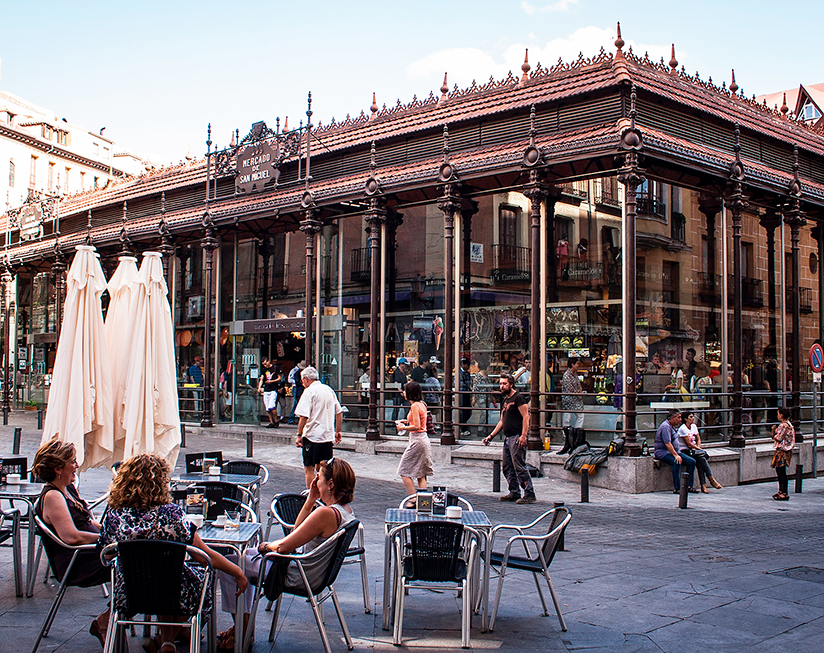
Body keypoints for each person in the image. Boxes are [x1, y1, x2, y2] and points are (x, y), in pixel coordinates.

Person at [99, 454, 247, 653]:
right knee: (188, 579)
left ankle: (166, 642)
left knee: (161, 576)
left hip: (128, 592)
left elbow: (106, 555)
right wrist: (237, 572)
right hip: (173, 591)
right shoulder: (171, 514)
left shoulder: (114, 514)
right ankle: (167, 642)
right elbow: (204, 556)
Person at [217, 458, 356, 649]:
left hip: (297, 573)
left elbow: (284, 547)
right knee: (239, 558)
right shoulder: (345, 511)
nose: (315, 483)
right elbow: (296, 532)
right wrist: (310, 501)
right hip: (311, 572)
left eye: (319, 479)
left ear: (330, 484)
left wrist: (265, 546)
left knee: (229, 564)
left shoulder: (326, 514)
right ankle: (242, 628)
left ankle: (243, 629)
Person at [33, 440, 110, 647]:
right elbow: (71, 536)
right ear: (58, 468)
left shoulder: (68, 489)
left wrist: (114, 531)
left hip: (92, 552)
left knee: (141, 561)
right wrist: (109, 539)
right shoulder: (53, 496)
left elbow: (87, 522)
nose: (77, 465)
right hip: (77, 561)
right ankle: (106, 621)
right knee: (137, 566)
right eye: (73, 461)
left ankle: (169, 629)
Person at [482, 373, 535, 504]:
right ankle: (514, 491)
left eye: (504, 384)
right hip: (508, 437)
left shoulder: (518, 398)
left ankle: (529, 493)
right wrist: (491, 436)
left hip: (517, 437)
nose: (502, 386)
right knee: (507, 466)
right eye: (500, 384)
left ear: (511, 384)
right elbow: (501, 421)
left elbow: (526, 417)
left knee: (519, 466)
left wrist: (523, 436)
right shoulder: (505, 400)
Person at [295, 366, 343, 488]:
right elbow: (339, 412)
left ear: (306, 379)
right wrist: (338, 431)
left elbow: (303, 416)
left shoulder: (309, 392)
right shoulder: (328, 390)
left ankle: (312, 496)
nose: (302, 383)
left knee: (309, 468)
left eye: (302, 380)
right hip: (327, 435)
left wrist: (299, 435)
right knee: (324, 468)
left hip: (312, 436)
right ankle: (325, 493)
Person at [395, 381, 434, 497]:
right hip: (423, 439)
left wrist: (403, 427)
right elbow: (420, 422)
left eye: (405, 390)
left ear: (410, 393)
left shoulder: (414, 406)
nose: (403, 392)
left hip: (417, 440)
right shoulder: (422, 404)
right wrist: (407, 422)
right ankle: (423, 500)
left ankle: (413, 498)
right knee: (421, 474)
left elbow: (417, 426)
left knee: (403, 470)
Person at [676, 412, 723, 493]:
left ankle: (705, 484)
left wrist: (698, 448)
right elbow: (689, 444)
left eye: (693, 416)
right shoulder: (682, 429)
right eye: (691, 417)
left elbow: (698, 438)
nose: (693, 418)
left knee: (701, 460)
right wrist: (699, 449)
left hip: (694, 451)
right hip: (685, 451)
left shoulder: (694, 426)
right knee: (701, 459)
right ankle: (709, 481)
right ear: (686, 419)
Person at [654, 409, 697, 494]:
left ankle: (688, 486)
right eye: (678, 417)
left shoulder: (673, 426)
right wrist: (675, 455)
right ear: (672, 418)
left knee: (691, 462)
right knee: (677, 462)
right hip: (664, 452)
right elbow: (667, 443)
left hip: (676, 451)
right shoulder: (665, 427)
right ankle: (677, 488)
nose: (680, 419)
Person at [558, 357, 584, 454]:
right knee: (567, 417)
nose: (578, 365)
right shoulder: (567, 375)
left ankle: (577, 434)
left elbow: (578, 385)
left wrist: (579, 391)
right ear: (572, 364)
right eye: (577, 363)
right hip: (569, 399)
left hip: (576, 399)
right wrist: (578, 393)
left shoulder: (575, 374)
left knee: (580, 415)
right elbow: (569, 388)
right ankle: (567, 436)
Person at [771, 406, 795, 501]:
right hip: (787, 450)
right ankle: (782, 491)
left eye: (778, 413)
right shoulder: (789, 425)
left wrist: (773, 432)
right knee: (781, 471)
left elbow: (779, 438)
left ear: (781, 415)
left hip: (782, 451)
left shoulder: (784, 426)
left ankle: (783, 492)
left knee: (780, 471)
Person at [257, 357, 281, 428]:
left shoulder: (275, 368)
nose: (265, 365)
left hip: (273, 389)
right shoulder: (264, 369)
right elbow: (262, 379)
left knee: (272, 406)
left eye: (266, 363)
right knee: (267, 407)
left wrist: (272, 381)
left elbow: (279, 377)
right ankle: (271, 421)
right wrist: (259, 387)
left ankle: (276, 420)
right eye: (264, 364)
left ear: (268, 361)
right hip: (266, 389)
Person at [391, 357, 410, 422]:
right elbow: (396, 383)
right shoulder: (397, 372)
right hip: (397, 394)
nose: (406, 366)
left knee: (407, 408)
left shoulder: (403, 372)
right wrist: (401, 391)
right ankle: (394, 422)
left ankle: (405, 420)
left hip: (402, 393)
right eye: (405, 364)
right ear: (401, 364)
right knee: (396, 409)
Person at [288, 360, 307, 424]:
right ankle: (291, 418)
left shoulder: (298, 373)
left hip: (299, 389)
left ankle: (293, 418)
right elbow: (293, 381)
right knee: (296, 403)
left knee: (297, 404)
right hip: (297, 389)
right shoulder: (296, 372)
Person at [458, 357, 473, 437]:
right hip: (461, 393)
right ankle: (463, 428)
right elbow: (460, 383)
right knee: (463, 411)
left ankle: (462, 425)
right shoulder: (459, 373)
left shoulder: (467, 373)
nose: (468, 366)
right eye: (467, 365)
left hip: (466, 393)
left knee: (468, 411)